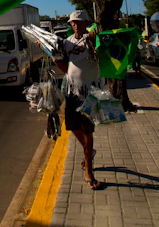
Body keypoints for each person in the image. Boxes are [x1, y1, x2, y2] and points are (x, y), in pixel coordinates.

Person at [53, 10, 104, 190]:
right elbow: (65, 68)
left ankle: (89, 171)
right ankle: (89, 153)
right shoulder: (68, 43)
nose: (76, 25)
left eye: (79, 22)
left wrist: (93, 41)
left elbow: (102, 57)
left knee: (88, 132)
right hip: (72, 92)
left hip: (90, 92)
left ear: (85, 23)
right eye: (73, 22)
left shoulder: (93, 40)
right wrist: (52, 54)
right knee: (73, 127)